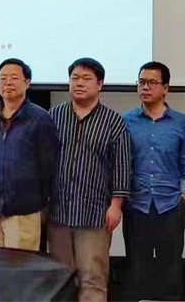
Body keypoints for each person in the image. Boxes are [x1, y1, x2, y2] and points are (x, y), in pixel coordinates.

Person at [47, 58, 130, 302]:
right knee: (60, 278)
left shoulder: (114, 122)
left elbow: (122, 167)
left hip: (95, 213)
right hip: (58, 211)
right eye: (74, 78)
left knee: (93, 277)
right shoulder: (54, 116)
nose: (79, 83)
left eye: (86, 79)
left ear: (100, 84)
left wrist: (116, 206)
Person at [122, 61, 185, 301]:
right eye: (141, 82)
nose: (145, 87)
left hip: (171, 205)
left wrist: (184, 194)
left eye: (152, 83)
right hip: (137, 204)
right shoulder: (126, 121)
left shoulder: (181, 122)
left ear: (165, 88)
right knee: (136, 270)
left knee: (171, 271)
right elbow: (122, 163)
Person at [0, 58, 60, 251]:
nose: (8, 82)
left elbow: (49, 166)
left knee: (20, 266)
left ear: (27, 82)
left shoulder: (39, 118)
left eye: (14, 78)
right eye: (3, 78)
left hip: (24, 211)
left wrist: (41, 204)